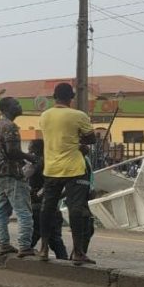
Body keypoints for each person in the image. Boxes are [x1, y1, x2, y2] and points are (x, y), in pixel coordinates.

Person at [37, 82, 96, 264]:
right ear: (71, 98)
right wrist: (79, 143)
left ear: (55, 97)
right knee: (75, 209)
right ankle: (78, 252)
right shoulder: (78, 115)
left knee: (47, 208)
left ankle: (44, 248)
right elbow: (91, 138)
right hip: (74, 168)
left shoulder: (44, 116)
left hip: (52, 168)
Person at [0, 97, 39, 257]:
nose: (19, 106)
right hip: (12, 173)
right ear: (7, 108)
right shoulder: (10, 126)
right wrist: (30, 157)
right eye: (16, 104)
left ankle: (4, 244)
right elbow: (12, 151)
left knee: (2, 211)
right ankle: (25, 246)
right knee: (23, 211)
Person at [27, 139, 68, 260]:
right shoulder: (50, 162)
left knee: (33, 236)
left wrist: (38, 194)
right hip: (49, 206)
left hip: (39, 206)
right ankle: (64, 261)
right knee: (54, 239)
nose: (29, 152)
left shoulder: (39, 164)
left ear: (36, 150)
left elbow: (46, 184)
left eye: (30, 149)